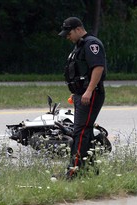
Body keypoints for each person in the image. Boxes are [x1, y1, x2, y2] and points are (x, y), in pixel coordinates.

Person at [58, 17, 107, 179]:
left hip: (90, 95)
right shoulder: (79, 45)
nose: (67, 37)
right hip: (82, 94)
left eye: (69, 33)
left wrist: (89, 91)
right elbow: (80, 71)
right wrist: (77, 91)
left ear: (79, 29)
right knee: (85, 132)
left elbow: (98, 68)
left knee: (80, 132)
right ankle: (91, 171)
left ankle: (73, 173)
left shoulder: (91, 44)